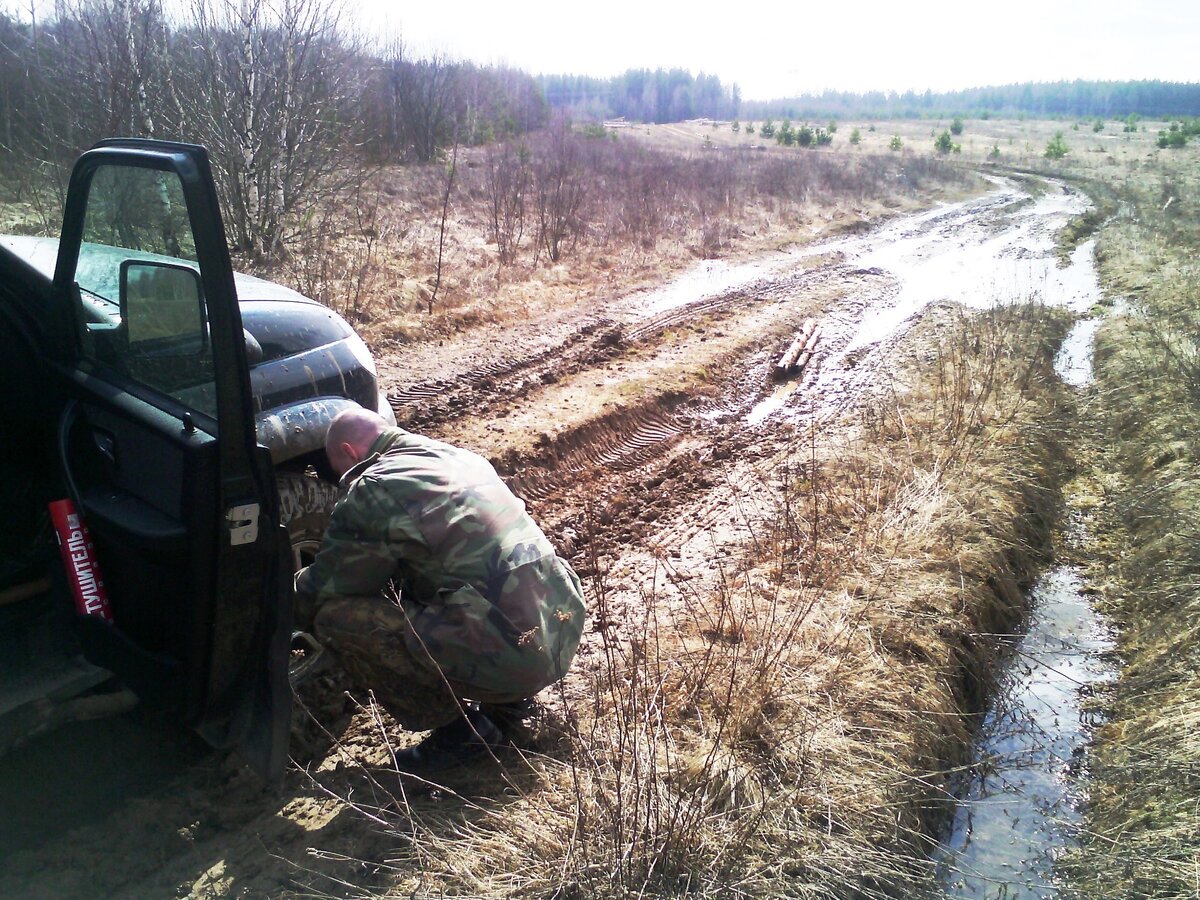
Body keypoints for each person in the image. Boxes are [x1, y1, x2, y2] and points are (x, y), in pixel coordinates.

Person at [294, 408, 586, 770]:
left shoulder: (375, 486)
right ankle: (510, 704)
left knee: (337, 617)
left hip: (515, 657)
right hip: (558, 633)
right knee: (447, 573)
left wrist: (284, 596)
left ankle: (461, 735)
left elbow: (330, 584)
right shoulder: (462, 458)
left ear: (350, 453)